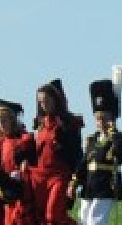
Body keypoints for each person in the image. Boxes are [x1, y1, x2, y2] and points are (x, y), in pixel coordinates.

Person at [76, 71, 122, 225]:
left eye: (104, 118)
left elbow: (118, 155)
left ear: (112, 118)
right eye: (98, 118)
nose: (100, 121)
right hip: (89, 186)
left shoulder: (119, 137)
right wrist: (75, 181)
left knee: (96, 221)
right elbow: (84, 162)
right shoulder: (91, 139)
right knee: (83, 219)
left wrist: (113, 132)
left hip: (106, 185)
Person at [28, 80, 84, 225]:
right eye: (40, 102)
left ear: (55, 100)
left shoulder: (68, 124)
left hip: (59, 176)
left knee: (54, 215)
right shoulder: (40, 124)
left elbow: (77, 154)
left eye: (46, 100)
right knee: (44, 219)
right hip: (39, 178)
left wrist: (74, 180)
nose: (43, 104)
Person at [0, 100, 35, 224]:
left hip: (23, 196)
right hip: (8, 196)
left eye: (4, 120)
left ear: (12, 120)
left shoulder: (25, 140)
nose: (1, 124)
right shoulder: (2, 143)